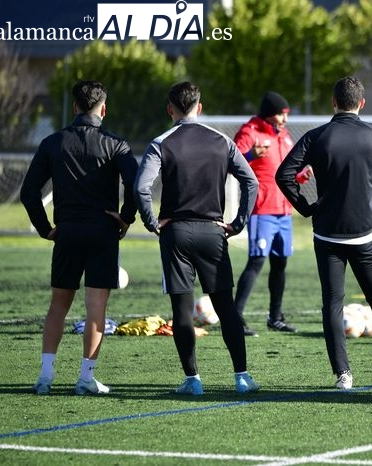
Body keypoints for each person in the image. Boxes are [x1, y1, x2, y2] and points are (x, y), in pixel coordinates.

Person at [276, 76, 372, 390]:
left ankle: (343, 376)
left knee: (332, 303)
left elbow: (283, 175)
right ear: (362, 103)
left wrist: (306, 207)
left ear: (333, 102)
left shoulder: (316, 137)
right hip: (363, 234)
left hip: (327, 233)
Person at [134, 81, 260, 395]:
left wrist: (152, 223)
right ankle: (242, 377)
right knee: (226, 307)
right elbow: (251, 181)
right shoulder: (222, 141)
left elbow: (140, 187)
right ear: (199, 107)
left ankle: (193, 380)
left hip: (175, 233)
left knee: (181, 309)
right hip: (213, 232)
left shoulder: (161, 142)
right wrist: (239, 222)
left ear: (169, 109)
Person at [20, 80, 137, 395]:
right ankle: (86, 378)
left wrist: (46, 228)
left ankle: (45, 376)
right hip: (102, 233)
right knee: (95, 309)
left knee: (58, 306)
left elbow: (28, 192)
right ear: (103, 109)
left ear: (74, 107)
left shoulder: (52, 142)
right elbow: (139, 186)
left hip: (67, 233)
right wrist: (126, 218)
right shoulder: (116, 144)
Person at [233, 91, 311, 336]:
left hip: (283, 211)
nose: (284, 120)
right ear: (269, 114)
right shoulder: (250, 132)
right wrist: (249, 155)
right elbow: (230, 162)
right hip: (262, 209)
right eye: (281, 114)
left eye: (286, 115)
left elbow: (282, 172)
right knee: (256, 261)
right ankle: (235, 317)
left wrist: (300, 177)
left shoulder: (283, 136)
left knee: (280, 264)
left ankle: (275, 317)